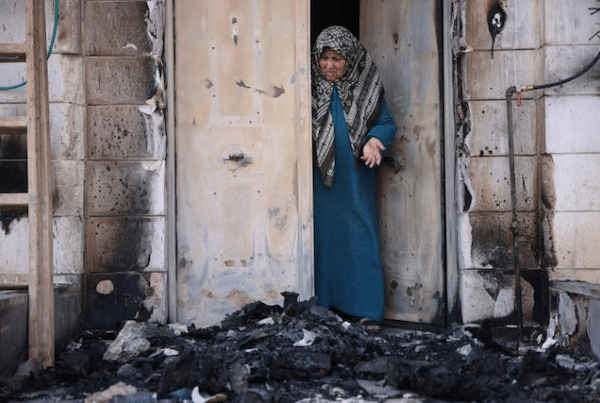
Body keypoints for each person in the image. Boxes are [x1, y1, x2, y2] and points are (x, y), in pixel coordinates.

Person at [311, 26, 397, 322]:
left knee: (359, 238)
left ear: (350, 59)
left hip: (354, 180)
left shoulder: (365, 84)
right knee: (321, 240)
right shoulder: (307, 87)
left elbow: (385, 121)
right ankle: (324, 308)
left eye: (337, 58)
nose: (330, 65)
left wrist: (375, 141)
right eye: (324, 58)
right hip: (319, 184)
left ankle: (365, 311)